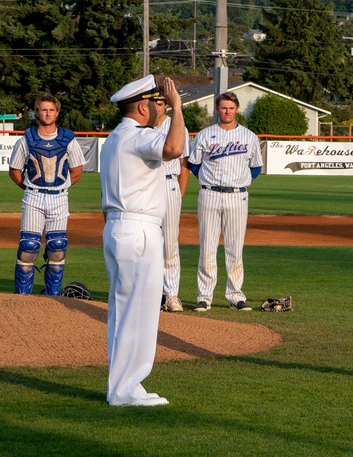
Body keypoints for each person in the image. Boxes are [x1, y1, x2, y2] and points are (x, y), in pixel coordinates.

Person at [100, 74, 185, 407]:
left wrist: (166, 111)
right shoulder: (135, 137)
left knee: (124, 312)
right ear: (141, 105)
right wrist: (177, 106)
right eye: (156, 102)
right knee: (139, 312)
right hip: (138, 230)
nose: (161, 107)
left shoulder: (116, 137)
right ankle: (126, 390)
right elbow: (174, 149)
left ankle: (122, 386)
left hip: (122, 228)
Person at [188, 91, 263, 312]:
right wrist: (205, 178)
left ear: (237, 109)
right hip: (209, 194)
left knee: (234, 248)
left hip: (237, 195)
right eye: (223, 107)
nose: (227, 111)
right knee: (207, 247)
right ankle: (204, 296)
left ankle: (235, 295)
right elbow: (194, 164)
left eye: (230, 108)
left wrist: (242, 180)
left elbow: (256, 167)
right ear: (217, 110)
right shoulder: (204, 134)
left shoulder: (249, 136)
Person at [8, 94, 85, 295]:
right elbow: (14, 171)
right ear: (37, 112)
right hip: (33, 197)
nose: (47, 113)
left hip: (59, 197)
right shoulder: (27, 139)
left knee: (57, 248)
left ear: (57, 113)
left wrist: (60, 189)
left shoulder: (68, 138)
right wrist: (29, 189)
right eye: (43, 109)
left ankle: (53, 298)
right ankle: (22, 297)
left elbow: (76, 171)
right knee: (28, 247)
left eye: (51, 110)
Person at [156, 106, 190, 312]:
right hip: (146, 185)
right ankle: (151, 293)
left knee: (169, 243)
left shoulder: (176, 125)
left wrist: (179, 192)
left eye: (161, 101)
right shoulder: (141, 126)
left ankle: (172, 294)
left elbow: (184, 162)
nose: (157, 105)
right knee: (145, 243)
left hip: (169, 184)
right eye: (154, 101)